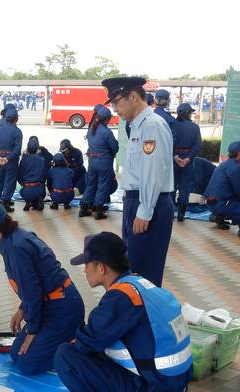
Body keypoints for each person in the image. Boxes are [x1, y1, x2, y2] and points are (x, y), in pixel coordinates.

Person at [55, 232, 192, 392]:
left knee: (66, 356)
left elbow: (85, 342)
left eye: (87, 265)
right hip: (174, 386)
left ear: (101, 268)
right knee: (104, 349)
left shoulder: (121, 298)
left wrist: (80, 340)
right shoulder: (142, 285)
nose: (84, 271)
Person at [0, 201, 84, 375]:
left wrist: (33, 331)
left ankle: (76, 341)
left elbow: (33, 292)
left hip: (63, 308)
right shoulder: (15, 238)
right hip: (49, 303)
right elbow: (35, 284)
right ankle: (57, 339)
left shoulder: (15, 248)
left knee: (28, 364)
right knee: (16, 354)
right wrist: (22, 310)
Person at [102, 76, 174, 288]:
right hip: (137, 201)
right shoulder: (137, 125)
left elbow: (152, 172)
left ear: (133, 97)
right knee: (134, 266)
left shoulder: (151, 125)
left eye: (116, 102)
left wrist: (145, 210)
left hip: (149, 203)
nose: (115, 109)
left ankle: (145, 318)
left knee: (145, 273)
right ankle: (137, 316)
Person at [80, 105, 119, 220]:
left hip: (92, 162)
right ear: (107, 119)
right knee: (103, 185)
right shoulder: (106, 132)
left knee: (91, 184)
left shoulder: (91, 129)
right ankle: (98, 210)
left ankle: (84, 208)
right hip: (104, 162)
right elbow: (114, 148)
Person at [204, 141, 240, 230]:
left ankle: (219, 216)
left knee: (228, 196)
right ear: (239, 153)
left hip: (209, 202)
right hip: (220, 204)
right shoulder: (235, 168)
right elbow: (239, 190)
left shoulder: (223, 164)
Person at [172, 103, 203, 222]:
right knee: (185, 187)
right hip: (188, 160)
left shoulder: (172, 126)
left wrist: (175, 156)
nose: (191, 114)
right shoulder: (194, 127)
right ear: (187, 113)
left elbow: (167, 143)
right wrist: (188, 158)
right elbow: (198, 146)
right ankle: (181, 212)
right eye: (190, 112)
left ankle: (170, 212)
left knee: (172, 187)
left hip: (174, 159)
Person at [0, 105, 23, 212]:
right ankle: (5, 203)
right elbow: (17, 150)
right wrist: (7, 158)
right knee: (9, 181)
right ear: (16, 119)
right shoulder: (17, 132)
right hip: (11, 161)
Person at [18, 137, 47, 211]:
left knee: (23, 190)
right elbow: (44, 176)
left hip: (26, 189)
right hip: (39, 188)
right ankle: (38, 199)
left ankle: (28, 201)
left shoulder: (23, 161)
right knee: (41, 188)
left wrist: (22, 184)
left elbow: (19, 175)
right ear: (38, 149)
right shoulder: (42, 160)